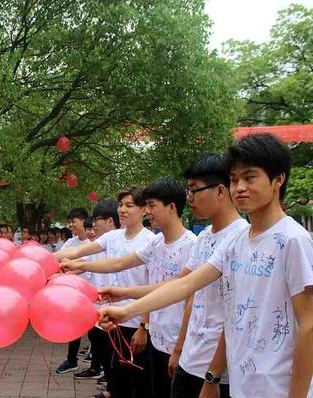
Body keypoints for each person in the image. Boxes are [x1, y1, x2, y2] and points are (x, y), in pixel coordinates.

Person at [99, 133, 313, 398]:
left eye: (250, 178)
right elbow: (187, 284)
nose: (239, 187)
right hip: (241, 384)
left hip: (278, 389)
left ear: (278, 179)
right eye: (234, 179)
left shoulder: (292, 240)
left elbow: (310, 326)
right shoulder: (237, 240)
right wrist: (127, 311)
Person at [101, 154, 247, 398]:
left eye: (193, 190)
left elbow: (230, 313)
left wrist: (212, 373)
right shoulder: (206, 237)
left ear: (220, 191)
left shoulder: (240, 239)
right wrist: (125, 298)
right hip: (192, 357)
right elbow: (181, 285)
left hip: (215, 367)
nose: (188, 199)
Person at [63, 178, 197, 398]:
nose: (149, 211)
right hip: (156, 337)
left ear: (171, 207)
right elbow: (119, 264)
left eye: (151, 206)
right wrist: (77, 265)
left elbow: (181, 291)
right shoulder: (157, 243)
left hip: (173, 341)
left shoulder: (191, 244)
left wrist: (146, 326)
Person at [55, 187, 156, 398]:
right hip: (111, 321)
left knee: (138, 383)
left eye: (129, 205)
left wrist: (144, 326)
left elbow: (152, 287)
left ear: (144, 209)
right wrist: (47, 258)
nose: (123, 210)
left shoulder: (150, 241)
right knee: (115, 379)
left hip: (135, 322)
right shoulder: (113, 237)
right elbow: (79, 251)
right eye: (121, 205)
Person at [73, 201, 120, 389]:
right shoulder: (100, 245)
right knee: (100, 344)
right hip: (97, 304)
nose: (93, 226)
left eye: (96, 221)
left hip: (119, 308)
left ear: (109, 221)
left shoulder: (124, 243)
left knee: (112, 350)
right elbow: (80, 259)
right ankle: (109, 381)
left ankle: (111, 382)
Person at [55, 209, 91, 375]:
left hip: (93, 291)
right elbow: (60, 261)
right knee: (74, 326)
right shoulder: (70, 243)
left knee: (96, 331)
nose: (70, 224)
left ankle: (97, 365)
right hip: (73, 293)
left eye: (73, 220)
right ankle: (72, 360)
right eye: (69, 221)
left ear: (84, 221)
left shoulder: (94, 243)